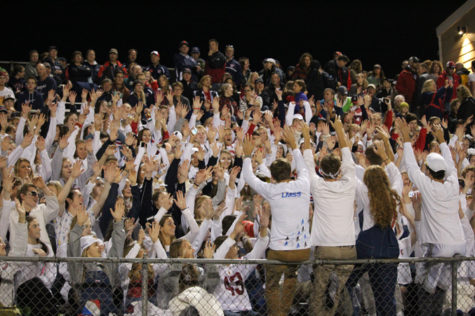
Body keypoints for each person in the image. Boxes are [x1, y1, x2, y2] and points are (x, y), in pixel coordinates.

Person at [396, 117, 465, 316]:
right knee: (442, 285)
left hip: (440, 246)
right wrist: (442, 140)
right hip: (459, 245)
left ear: (427, 170)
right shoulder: (452, 182)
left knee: (426, 285)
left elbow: (410, 165)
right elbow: (451, 164)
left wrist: (407, 139)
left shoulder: (426, 185)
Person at [241, 127, 311, 316]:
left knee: (271, 286)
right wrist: (295, 146)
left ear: (272, 177)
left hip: (280, 251)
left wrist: (247, 155)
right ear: (291, 173)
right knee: (290, 279)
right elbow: (304, 166)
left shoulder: (272, 190)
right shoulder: (304, 183)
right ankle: (284, 312)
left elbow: (249, 177)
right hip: (302, 250)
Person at [301, 119, 357, 316]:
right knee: (340, 293)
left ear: (321, 171)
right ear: (339, 171)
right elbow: (348, 153)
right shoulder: (350, 183)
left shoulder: (317, 185)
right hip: (349, 247)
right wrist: (340, 129)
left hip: (326, 247)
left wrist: (307, 134)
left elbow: (308, 159)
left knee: (319, 294)